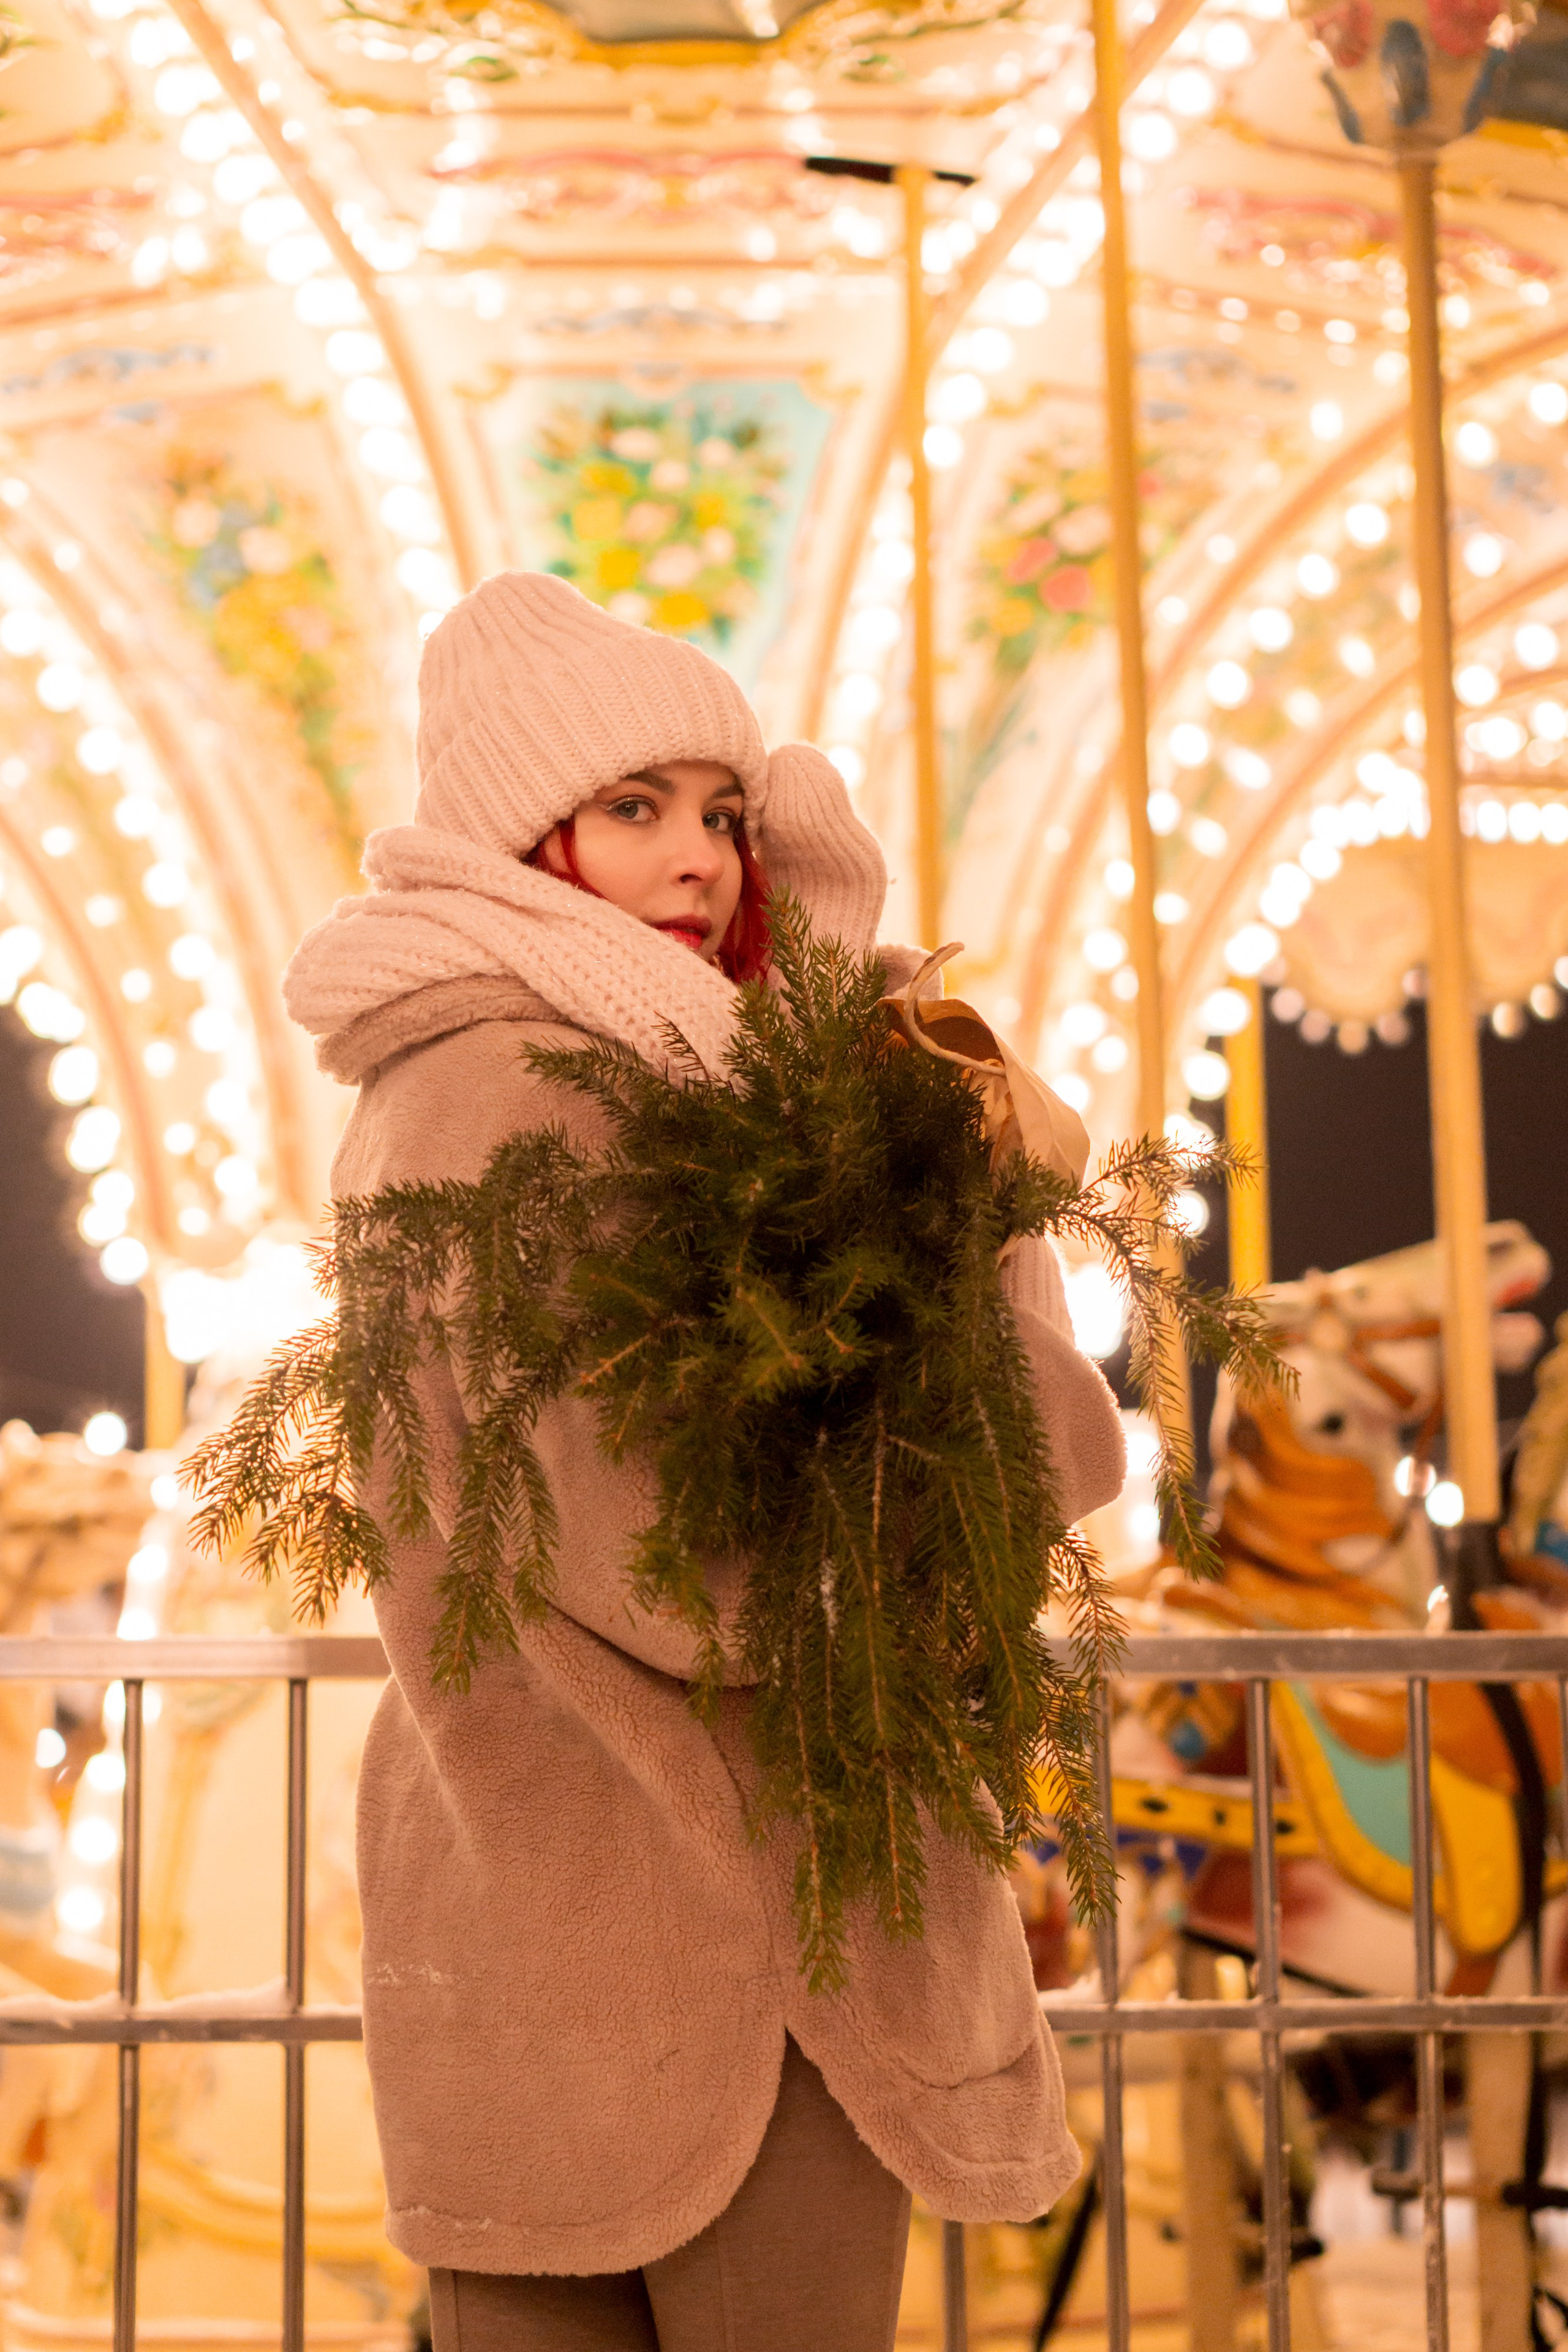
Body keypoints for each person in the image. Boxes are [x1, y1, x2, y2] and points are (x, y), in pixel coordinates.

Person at [283, 572, 1126, 2352]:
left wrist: (855, 1062)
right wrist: (958, 1247)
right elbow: (695, 1553)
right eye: (635, 809)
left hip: (526, 1909)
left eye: (727, 814)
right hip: (722, 1930)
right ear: (527, 840)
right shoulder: (538, 1093)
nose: (702, 861)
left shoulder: (494, 1083)